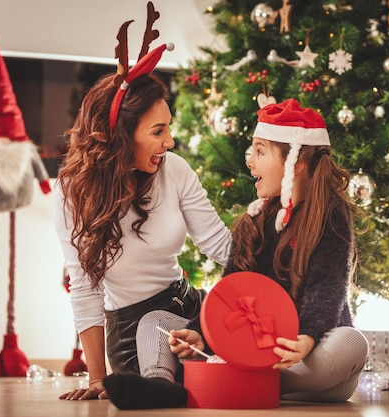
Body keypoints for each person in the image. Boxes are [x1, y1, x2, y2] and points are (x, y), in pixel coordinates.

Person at [109, 98, 369, 409]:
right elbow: (231, 291)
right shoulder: (254, 221)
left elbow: (328, 289)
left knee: (351, 345)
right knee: (155, 320)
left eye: (260, 152)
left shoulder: (331, 215)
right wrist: (200, 335)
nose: (249, 162)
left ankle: (224, 381)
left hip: (305, 357)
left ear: (295, 163)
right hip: (253, 351)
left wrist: (308, 337)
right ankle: (160, 383)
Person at [53, 11, 231, 404]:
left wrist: (275, 262)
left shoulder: (175, 170)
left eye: (168, 127)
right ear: (120, 137)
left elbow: (222, 247)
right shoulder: (72, 192)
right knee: (165, 364)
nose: (169, 142)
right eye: (157, 131)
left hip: (188, 311)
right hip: (135, 333)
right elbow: (85, 290)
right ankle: (159, 386)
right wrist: (98, 378)